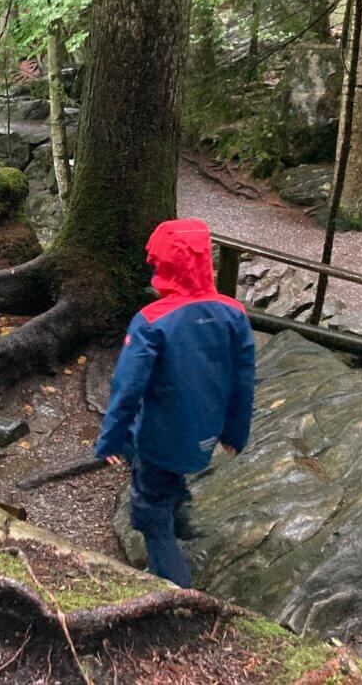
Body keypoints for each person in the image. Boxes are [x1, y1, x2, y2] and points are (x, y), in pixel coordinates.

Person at [94, 218, 255, 588]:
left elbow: (127, 387)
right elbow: (243, 380)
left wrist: (110, 438)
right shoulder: (234, 314)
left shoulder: (151, 321)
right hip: (205, 431)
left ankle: (176, 592)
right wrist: (236, 432)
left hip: (160, 436)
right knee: (166, 476)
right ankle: (182, 515)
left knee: (150, 514)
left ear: (162, 262)